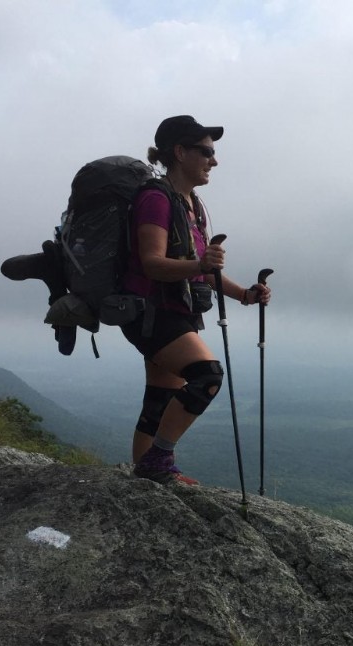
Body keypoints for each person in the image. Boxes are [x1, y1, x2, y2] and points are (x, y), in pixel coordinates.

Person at [120, 115, 270, 485]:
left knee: (159, 399)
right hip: (151, 312)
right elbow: (153, 263)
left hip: (175, 310)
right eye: (206, 152)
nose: (213, 161)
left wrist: (244, 296)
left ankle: (146, 478)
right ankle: (158, 461)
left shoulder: (191, 204)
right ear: (180, 152)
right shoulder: (156, 199)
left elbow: (201, 271)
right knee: (207, 378)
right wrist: (199, 263)